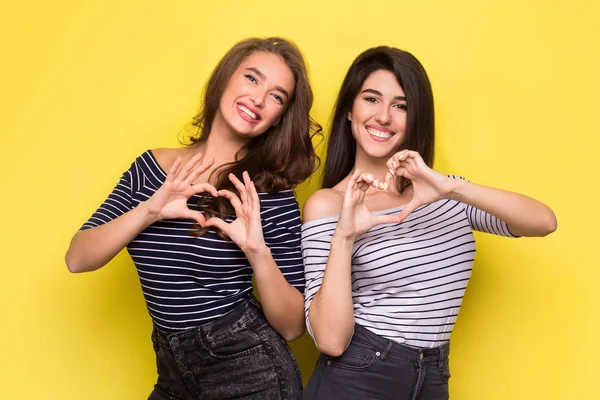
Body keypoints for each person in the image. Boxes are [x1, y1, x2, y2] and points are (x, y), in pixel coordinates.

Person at [65, 37, 322, 400]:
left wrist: (257, 251)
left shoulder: (266, 191)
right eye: (252, 78)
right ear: (226, 78)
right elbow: (77, 258)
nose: (259, 99)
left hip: (249, 371)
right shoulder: (153, 169)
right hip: (173, 370)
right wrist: (149, 211)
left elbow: (294, 325)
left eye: (277, 96)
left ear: (280, 117)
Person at [301, 46, 557, 400]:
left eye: (401, 105)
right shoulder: (329, 205)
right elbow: (330, 339)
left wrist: (451, 186)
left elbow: (544, 222)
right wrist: (345, 237)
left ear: (416, 117)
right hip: (360, 376)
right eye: (371, 99)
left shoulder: (444, 193)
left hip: (433, 375)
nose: (384, 117)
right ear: (349, 110)